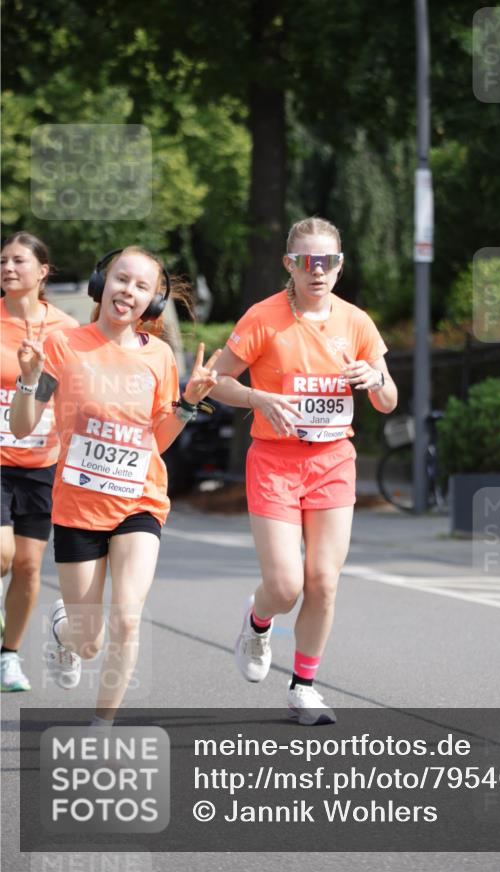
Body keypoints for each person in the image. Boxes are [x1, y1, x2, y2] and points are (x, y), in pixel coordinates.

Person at [10, 246, 220, 724]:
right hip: (77, 507)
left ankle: (101, 726)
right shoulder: (64, 347)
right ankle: (65, 631)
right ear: (102, 282)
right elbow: (24, 426)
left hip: (139, 501)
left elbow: (158, 440)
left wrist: (187, 402)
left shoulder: (161, 357)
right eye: (122, 279)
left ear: (153, 302)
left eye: (142, 286)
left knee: (127, 618)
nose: (129, 291)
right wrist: (28, 379)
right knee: (90, 642)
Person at [210, 217, 398, 725]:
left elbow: (388, 400)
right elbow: (213, 381)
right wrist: (256, 396)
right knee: (287, 584)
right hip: (274, 460)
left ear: (340, 266)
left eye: (328, 262)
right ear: (288, 264)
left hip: (333, 460)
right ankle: (259, 620)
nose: (318, 272)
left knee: (323, 580)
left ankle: (304, 687)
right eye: (307, 262)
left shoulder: (356, 322)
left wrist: (375, 378)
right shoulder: (264, 317)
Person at [0, 232, 78, 692]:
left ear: (43, 271)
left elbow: (70, 390)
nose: (8, 268)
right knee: (3, 554)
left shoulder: (65, 329)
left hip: (42, 461)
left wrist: (33, 387)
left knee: (29, 565)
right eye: (3, 261)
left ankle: (8, 657)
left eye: (18, 261)